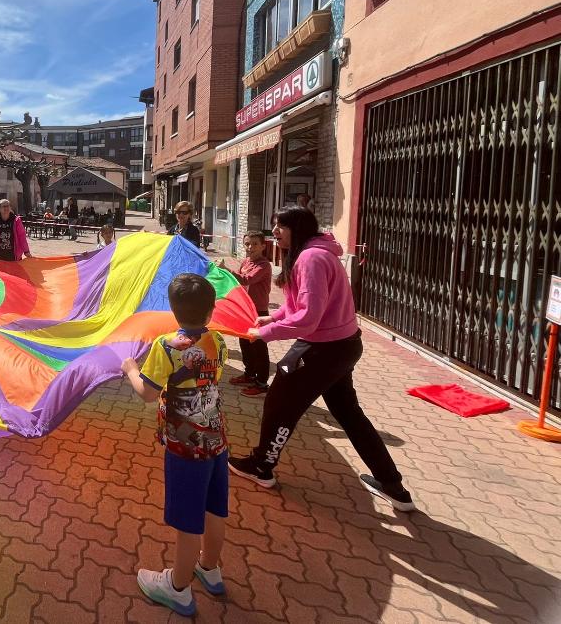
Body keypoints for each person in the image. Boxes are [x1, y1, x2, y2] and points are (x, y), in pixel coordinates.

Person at [229, 207, 415, 512]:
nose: (274, 232)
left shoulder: (311, 258)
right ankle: (393, 486)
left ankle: (261, 466)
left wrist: (264, 334)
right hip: (340, 347)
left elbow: (308, 318)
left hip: (319, 349)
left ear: (297, 228)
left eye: (280, 226)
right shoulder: (314, 252)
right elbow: (300, 305)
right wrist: (269, 318)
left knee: (279, 399)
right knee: (348, 414)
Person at [120, 274, 229, 615]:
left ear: (172, 309)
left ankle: (178, 587)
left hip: (185, 447)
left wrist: (131, 370)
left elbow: (147, 394)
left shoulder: (167, 346)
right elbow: (210, 379)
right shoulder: (219, 341)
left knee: (187, 521)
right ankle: (209, 568)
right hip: (216, 441)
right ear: (211, 312)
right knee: (214, 508)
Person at [224, 232, 273, 397]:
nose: (250, 247)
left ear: (263, 246)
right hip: (245, 309)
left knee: (258, 346)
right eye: (247, 244)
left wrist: (226, 270)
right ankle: (249, 374)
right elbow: (237, 282)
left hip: (259, 312)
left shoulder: (264, 265)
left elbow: (246, 279)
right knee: (245, 343)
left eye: (254, 244)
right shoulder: (245, 261)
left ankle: (261, 383)